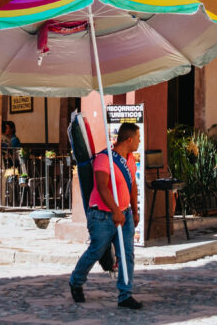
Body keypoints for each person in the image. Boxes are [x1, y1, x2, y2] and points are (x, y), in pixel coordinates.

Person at [68, 122, 142, 310]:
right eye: (138, 138)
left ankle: (125, 295)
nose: (140, 142)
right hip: (102, 215)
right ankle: (76, 281)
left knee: (126, 254)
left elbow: (132, 185)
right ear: (129, 139)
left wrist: (134, 209)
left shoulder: (130, 159)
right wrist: (115, 211)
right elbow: (102, 186)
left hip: (124, 214)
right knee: (96, 251)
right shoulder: (104, 158)